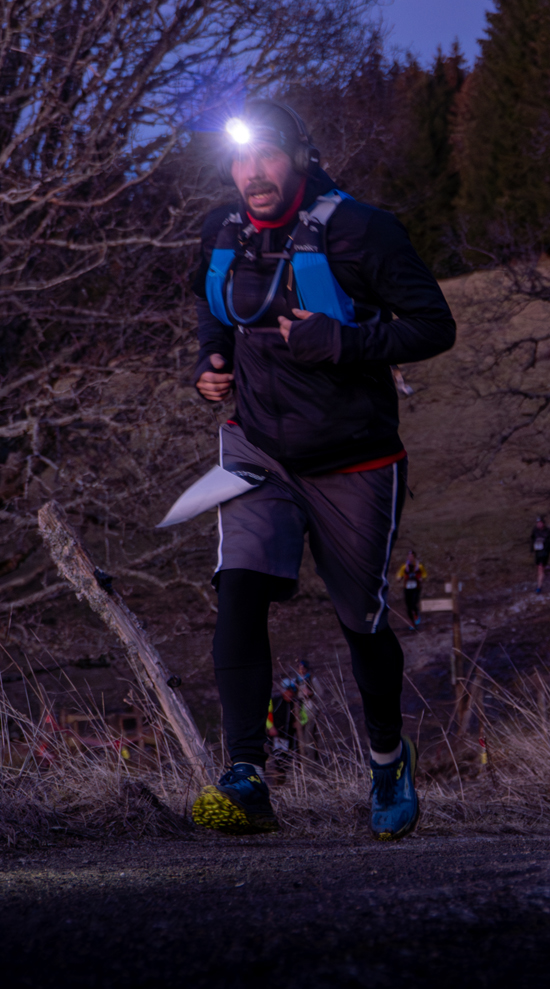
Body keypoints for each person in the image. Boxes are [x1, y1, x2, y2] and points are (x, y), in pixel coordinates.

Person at [183, 99, 455, 840]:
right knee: (238, 588)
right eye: (241, 159)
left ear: (300, 156)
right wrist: (211, 362)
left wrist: (343, 343)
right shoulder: (222, 229)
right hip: (257, 448)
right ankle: (247, 776)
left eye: (268, 155)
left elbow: (435, 326)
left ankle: (388, 759)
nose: (254, 173)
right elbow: (214, 306)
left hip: (354, 459)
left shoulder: (363, 230)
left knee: (361, 622)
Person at [395, 550, 427, 629]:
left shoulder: (419, 566)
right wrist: (399, 578)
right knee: (408, 607)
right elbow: (399, 574)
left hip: (416, 588)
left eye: (412, 556)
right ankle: (412, 623)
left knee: (413, 604)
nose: (410, 558)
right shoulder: (404, 566)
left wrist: (422, 578)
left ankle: (416, 615)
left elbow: (424, 574)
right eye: (409, 556)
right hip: (407, 587)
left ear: (414, 557)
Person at [530, 516, 550, 593]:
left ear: (543, 523)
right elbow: (532, 540)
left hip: (545, 551)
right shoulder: (535, 530)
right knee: (540, 567)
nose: (539, 524)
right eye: (538, 523)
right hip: (538, 551)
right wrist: (531, 549)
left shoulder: (548, 530)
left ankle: (539, 587)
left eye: (540, 523)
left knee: (540, 567)